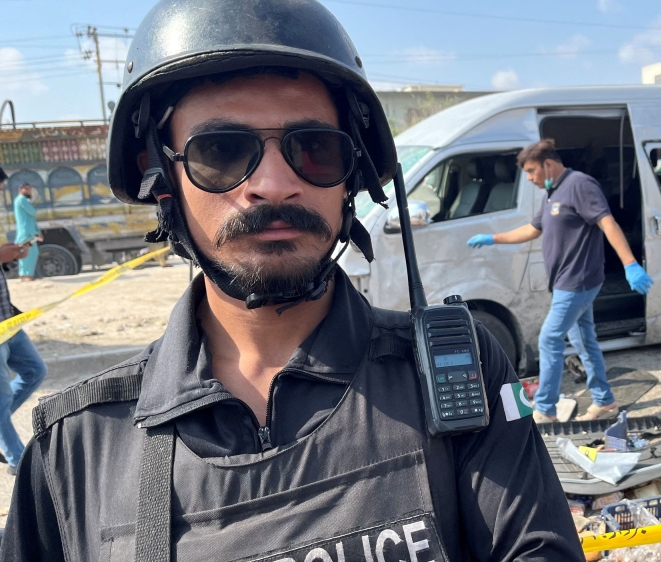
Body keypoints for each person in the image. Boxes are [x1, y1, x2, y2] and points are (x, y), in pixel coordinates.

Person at [0, 1, 583, 560]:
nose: (274, 185)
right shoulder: (74, 446)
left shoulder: (459, 371)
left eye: (316, 148)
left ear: (352, 174)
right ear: (160, 177)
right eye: (221, 151)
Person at [467, 140, 654, 423]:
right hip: (565, 281)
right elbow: (533, 229)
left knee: (549, 339)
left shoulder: (580, 185)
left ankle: (546, 409)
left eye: (531, 171)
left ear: (549, 164)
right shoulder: (552, 192)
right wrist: (493, 238)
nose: (529, 178)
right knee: (584, 341)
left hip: (578, 280)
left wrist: (630, 264)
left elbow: (607, 223)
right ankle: (604, 401)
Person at [0, 241, 47, 476]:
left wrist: (10, 258)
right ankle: (17, 462)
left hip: (8, 323)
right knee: (2, 399)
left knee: (35, 371)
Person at [13, 183, 41, 281]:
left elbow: (31, 218)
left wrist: (37, 232)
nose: (29, 191)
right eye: (26, 189)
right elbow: (33, 212)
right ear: (20, 189)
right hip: (26, 233)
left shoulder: (23, 200)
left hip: (29, 232)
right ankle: (27, 276)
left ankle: (24, 275)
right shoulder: (21, 200)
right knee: (29, 253)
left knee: (28, 252)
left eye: (30, 189)